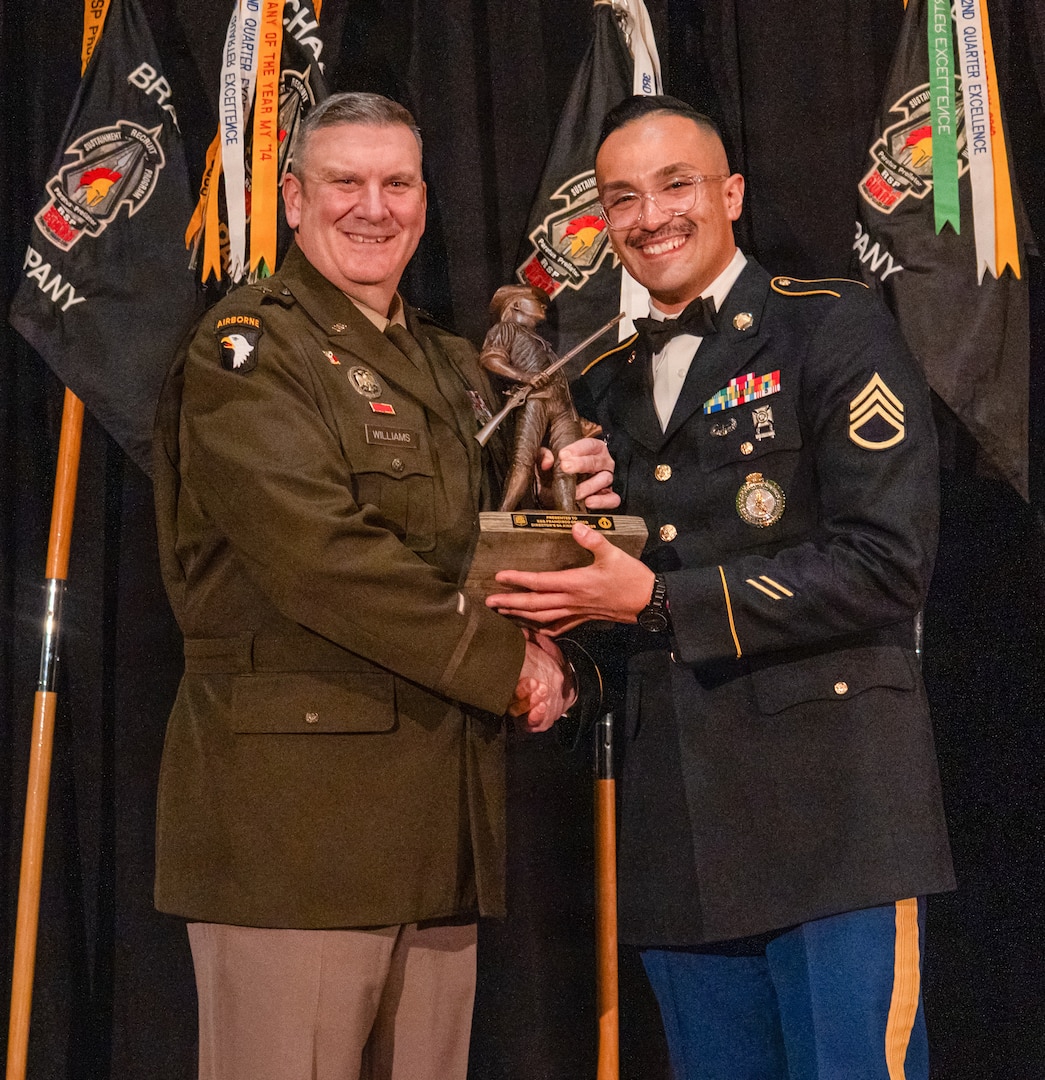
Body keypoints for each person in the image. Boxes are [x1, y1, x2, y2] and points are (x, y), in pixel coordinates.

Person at [486, 95, 954, 1080]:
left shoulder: (830, 324)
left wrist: (659, 602)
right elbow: (615, 608)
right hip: (679, 831)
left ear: (730, 193)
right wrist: (559, 658)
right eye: (622, 198)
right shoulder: (595, 381)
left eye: (676, 185)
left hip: (834, 821)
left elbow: (886, 563)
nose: (650, 216)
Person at [151, 92, 615, 1080]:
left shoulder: (451, 366)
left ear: (423, 200)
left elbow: (481, 549)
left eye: (397, 182)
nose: (374, 207)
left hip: (437, 835)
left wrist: (567, 506)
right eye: (345, 182)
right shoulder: (246, 351)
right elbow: (323, 558)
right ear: (293, 199)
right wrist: (505, 664)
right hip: (296, 844)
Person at [478, 284, 584, 512]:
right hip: (535, 399)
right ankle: (502, 516)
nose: (543, 306)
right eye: (537, 301)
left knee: (568, 466)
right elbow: (491, 359)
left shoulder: (539, 339)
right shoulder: (506, 329)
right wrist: (525, 377)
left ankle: (570, 520)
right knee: (522, 463)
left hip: (564, 407)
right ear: (517, 304)